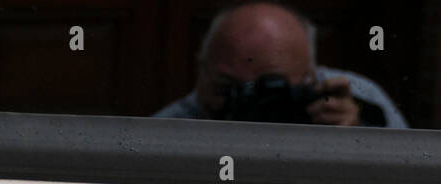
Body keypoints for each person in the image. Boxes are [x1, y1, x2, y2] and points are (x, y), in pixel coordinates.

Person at [155, 2, 407, 128]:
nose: (248, 100)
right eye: (227, 86)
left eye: (269, 86)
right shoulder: (173, 129)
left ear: (311, 78)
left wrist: (362, 139)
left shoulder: (355, 100)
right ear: (201, 74)